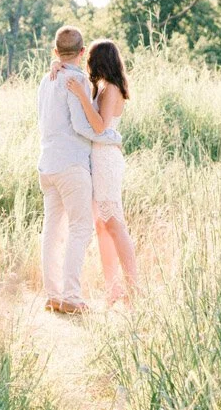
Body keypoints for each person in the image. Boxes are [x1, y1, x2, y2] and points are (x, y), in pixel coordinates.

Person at [38, 25, 120, 314]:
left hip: (47, 164)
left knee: (52, 230)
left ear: (55, 51)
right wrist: (109, 136)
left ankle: (53, 295)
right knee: (80, 227)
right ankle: (71, 296)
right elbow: (81, 125)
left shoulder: (46, 81)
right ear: (82, 52)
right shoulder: (76, 80)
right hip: (71, 164)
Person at [62, 39, 138, 304]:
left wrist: (83, 97)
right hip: (98, 158)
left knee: (114, 223)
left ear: (100, 60)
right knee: (102, 225)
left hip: (106, 160)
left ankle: (133, 287)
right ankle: (113, 288)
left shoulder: (111, 89)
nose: (88, 64)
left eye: (91, 58)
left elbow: (100, 127)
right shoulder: (102, 88)